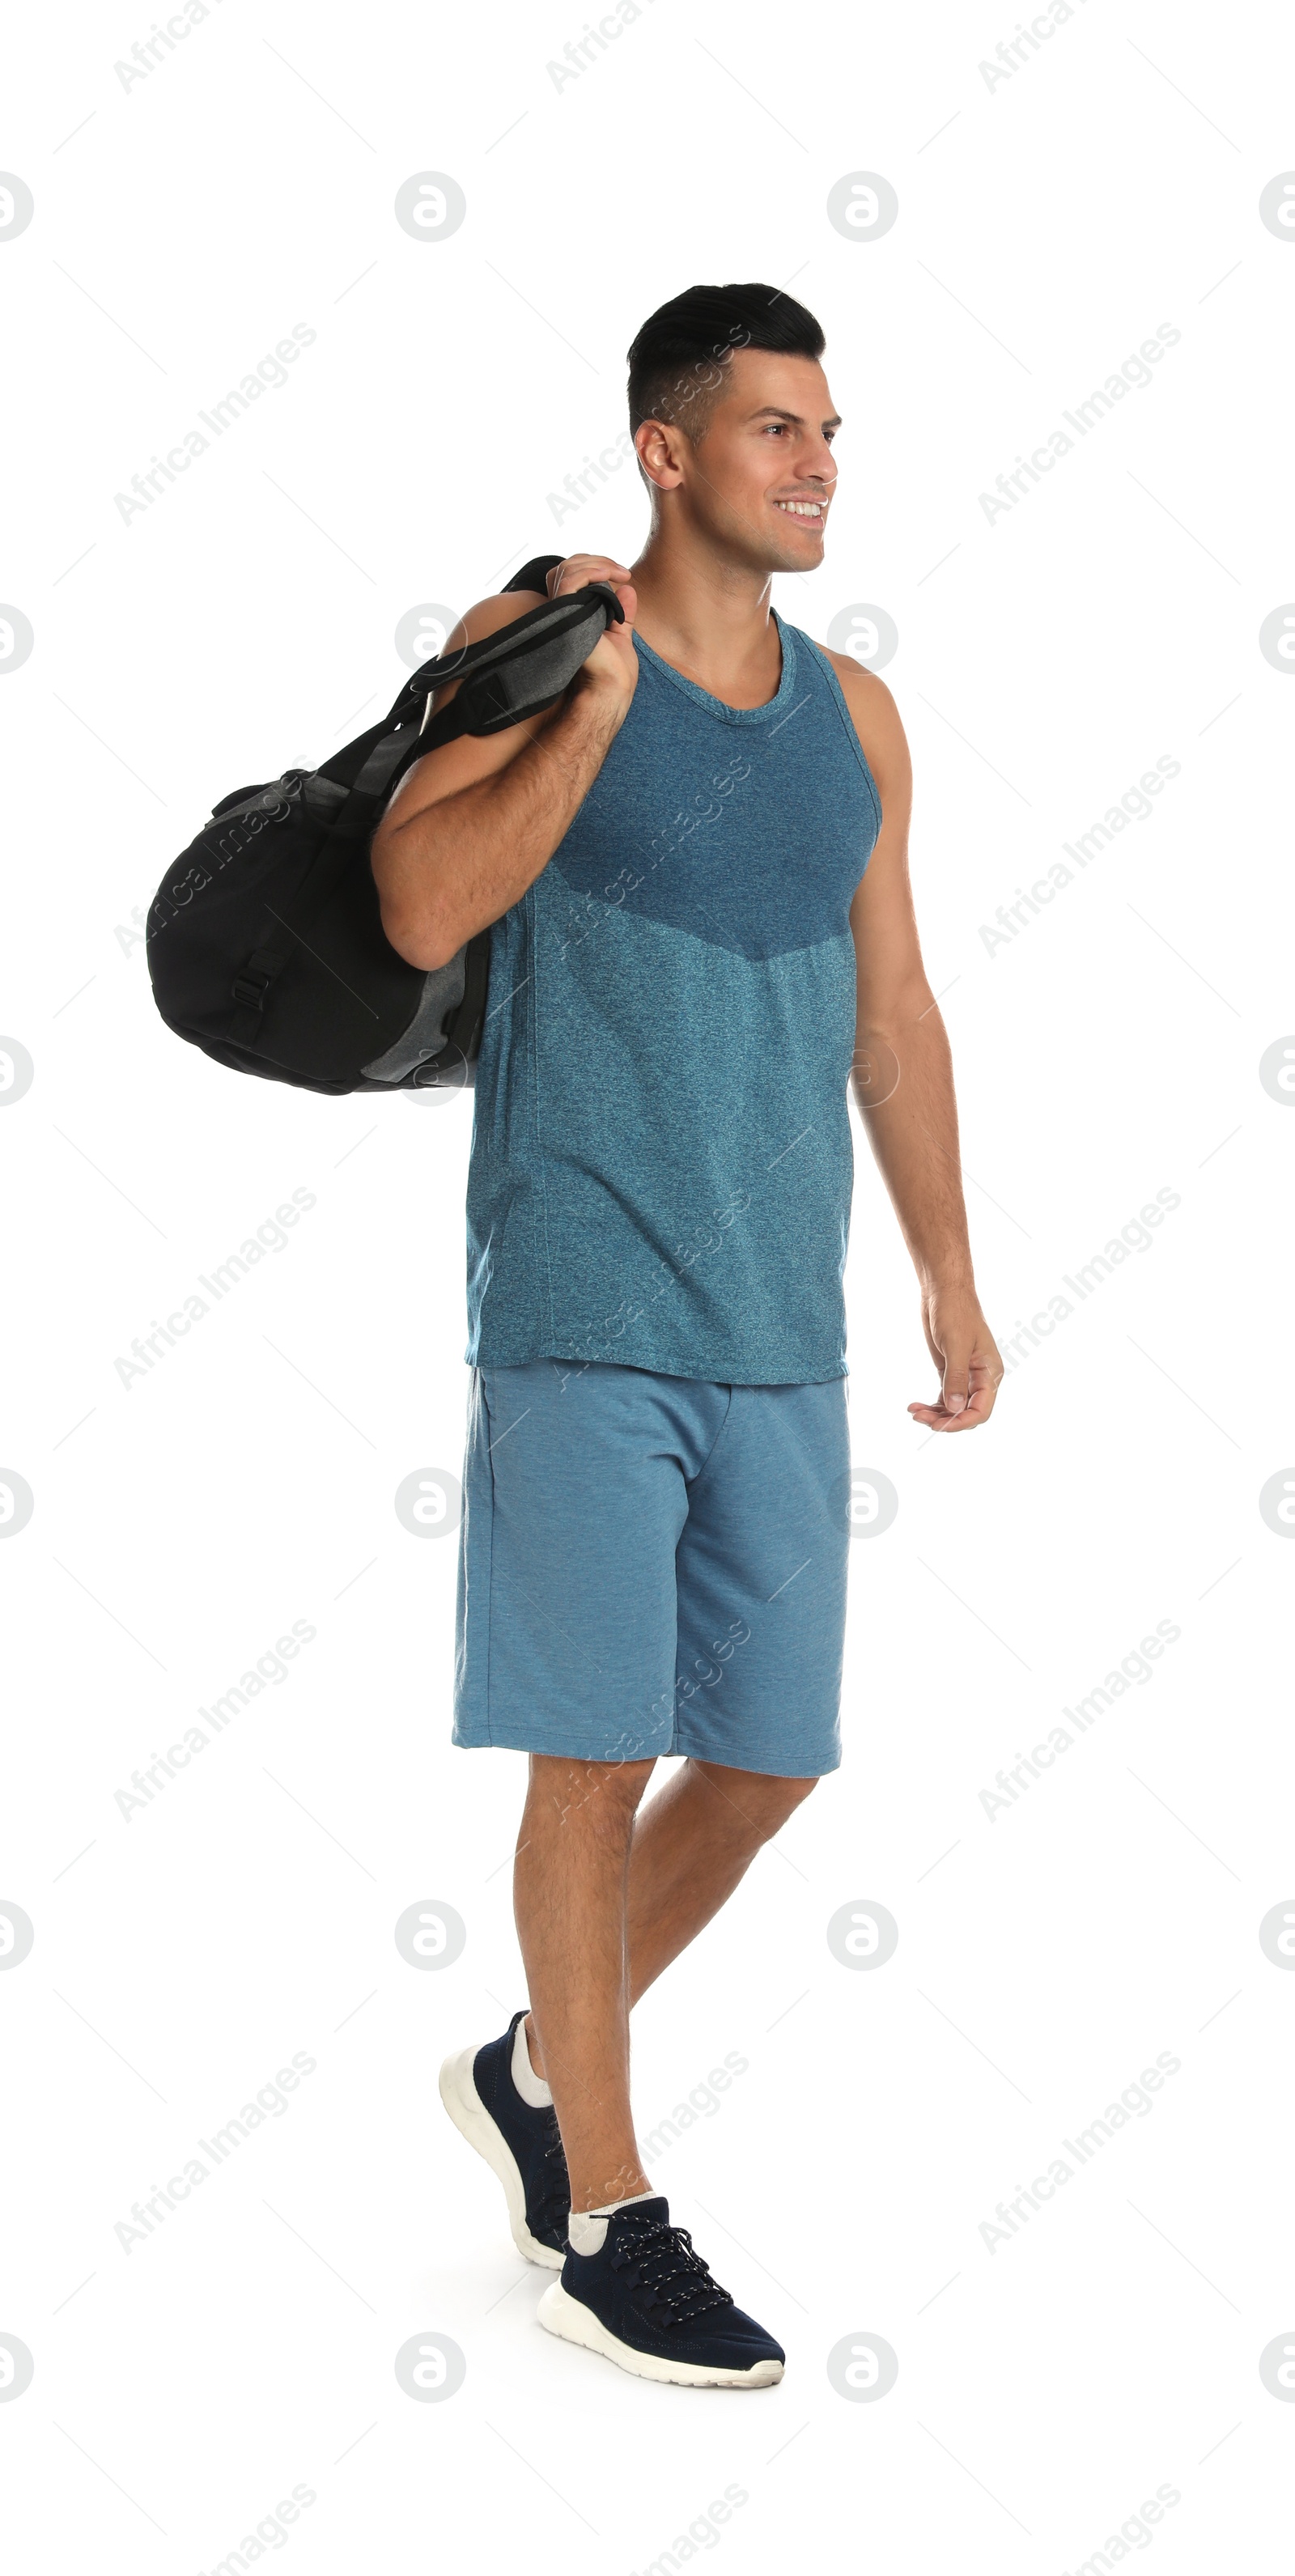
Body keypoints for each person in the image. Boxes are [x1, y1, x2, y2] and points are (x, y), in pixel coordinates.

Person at [370, 282, 1002, 2389]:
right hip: (579, 1291)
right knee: (593, 1752)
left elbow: (890, 1014)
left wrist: (947, 1269)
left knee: (768, 1755)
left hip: (778, 1319)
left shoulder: (861, 720)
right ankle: (605, 2214)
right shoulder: (536, 637)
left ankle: (542, 2068)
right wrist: (583, 717)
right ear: (666, 451)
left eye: (832, 430)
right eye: (775, 430)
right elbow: (423, 905)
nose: (819, 462)